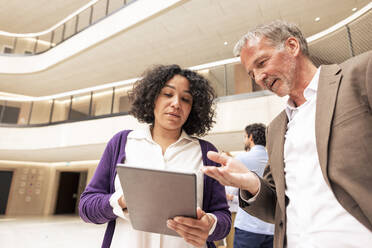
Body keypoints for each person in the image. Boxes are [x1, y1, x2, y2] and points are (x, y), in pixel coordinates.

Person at [202, 20, 372, 248]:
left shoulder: (361, 74)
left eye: (262, 62)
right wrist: (252, 183)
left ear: (292, 46)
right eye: (252, 74)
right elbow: (277, 208)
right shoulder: (275, 128)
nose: (260, 78)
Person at [79, 64, 231, 248]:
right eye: (168, 94)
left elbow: (223, 220)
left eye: (185, 99)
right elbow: (87, 207)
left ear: (193, 108)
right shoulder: (122, 142)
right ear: (152, 99)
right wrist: (121, 201)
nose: (176, 103)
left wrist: (210, 224)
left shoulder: (206, 152)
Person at [233, 123, 274, 248]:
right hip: (271, 227)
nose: (245, 140)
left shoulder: (241, 158)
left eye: (245, 137)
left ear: (250, 137)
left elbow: (232, 189)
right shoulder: (274, 158)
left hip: (247, 226)